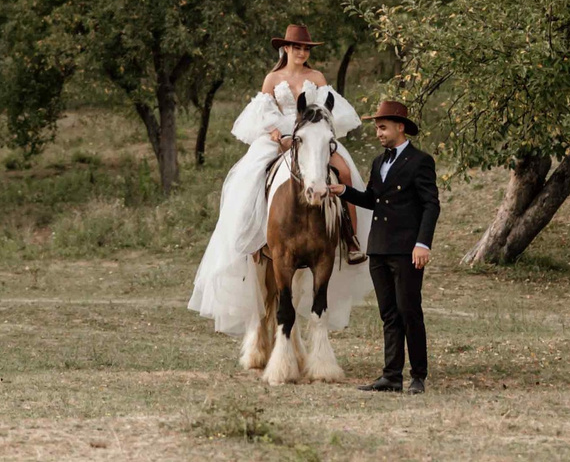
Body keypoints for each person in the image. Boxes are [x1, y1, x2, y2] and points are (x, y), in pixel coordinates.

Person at [187, 24, 374, 346]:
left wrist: (312, 133)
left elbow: (329, 114)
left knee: (343, 172)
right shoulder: (273, 80)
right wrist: (279, 136)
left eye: (306, 49)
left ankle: (350, 237)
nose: (302, 53)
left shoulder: (317, 78)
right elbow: (262, 116)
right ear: (285, 48)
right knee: (252, 177)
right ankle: (258, 236)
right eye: (297, 48)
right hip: (281, 142)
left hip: (312, 139)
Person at [337, 98, 439, 394]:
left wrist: (423, 243)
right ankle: (391, 376)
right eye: (377, 128)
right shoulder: (379, 162)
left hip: (407, 249)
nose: (379, 133)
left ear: (400, 127)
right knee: (389, 314)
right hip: (379, 247)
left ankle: (418, 375)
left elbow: (431, 205)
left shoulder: (421, 161)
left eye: (382, 127)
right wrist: (343, 191)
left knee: (409, 310)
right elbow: (372, 199)